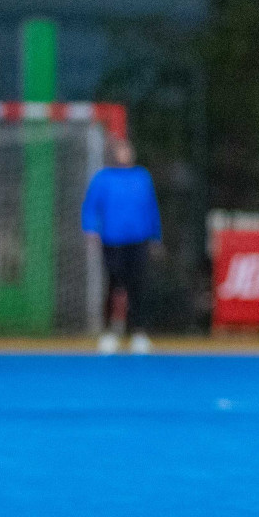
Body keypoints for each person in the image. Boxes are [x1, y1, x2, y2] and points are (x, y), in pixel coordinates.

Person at [81, 136, 162, 355]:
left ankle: (138, 333)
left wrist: (156, 236)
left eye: (127, 149)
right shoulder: (102, 178)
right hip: (112, 239)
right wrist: (90, 229)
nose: (125, 152)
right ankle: (110, 332)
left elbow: (151, 207)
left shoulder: (142, 177)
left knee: (138, 286)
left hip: (139, 239)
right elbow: (90, 206)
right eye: (121, 149)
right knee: (115, 283)